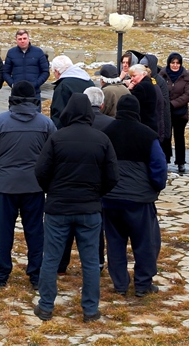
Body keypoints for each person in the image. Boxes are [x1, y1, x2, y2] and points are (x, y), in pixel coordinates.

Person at [34, 94, 118, 323]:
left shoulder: (57, 138)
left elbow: (41, 171)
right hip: (89, 209)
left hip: (58, 208)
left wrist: (52, 190)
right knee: (90, 262)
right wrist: (96, 193)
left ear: (68, 112)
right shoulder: (101, 140)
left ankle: (46, 306)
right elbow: (112, 176)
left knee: (51, 259)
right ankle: (90, 310)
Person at [0, 80, 56, 288]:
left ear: (12, 98)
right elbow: (54, 154)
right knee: (35, 230)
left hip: (7, 185)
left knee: (4, 230)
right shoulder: (46, 124)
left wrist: (1, 164)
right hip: (34, 185)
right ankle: (37, 275)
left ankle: (0, 274)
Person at [102, 94, 167, 297]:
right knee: (145, 243)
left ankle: (120, 284)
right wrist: (156, 187)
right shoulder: (147, 135)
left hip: (111, 199)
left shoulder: (106, 133)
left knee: (115, 243)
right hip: (139, 200)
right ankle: (143, 284)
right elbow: (159, 167)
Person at [161, 53, 189, 173]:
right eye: (173, 63)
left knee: (179, 137)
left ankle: (181, 162)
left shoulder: (186, 77)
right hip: (166, 112)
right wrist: (166, 103)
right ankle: (165, 160)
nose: (175, 65)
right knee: (166, 137)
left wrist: (173, 103)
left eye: (177, 63)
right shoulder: (162, 75)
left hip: (180, 113)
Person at [2, 29, 50, 102]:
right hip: (17, 94)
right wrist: (13, 84)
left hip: (34, 93)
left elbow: (45, 71)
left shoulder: (38, 52)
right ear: (16, 40)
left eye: (24, 38)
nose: (22, 41)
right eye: (20, 39)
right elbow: (5, 72)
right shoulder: (11, 53)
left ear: (28, 39)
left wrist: (36, 84)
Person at [48, 56, 93, 129]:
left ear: (57, 71)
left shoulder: (63, 87)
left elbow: (59, 113)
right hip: (90, 125)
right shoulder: (88, 80)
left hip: (69, 128)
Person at [127, 64, 164, 139]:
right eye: (131, 77)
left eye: (134, 76)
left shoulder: (141, 87)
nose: (132, 79)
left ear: (143, 74)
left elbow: (130, 102)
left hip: (144, 124)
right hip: (151, 123)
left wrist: (129, 90)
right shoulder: (149, 83)